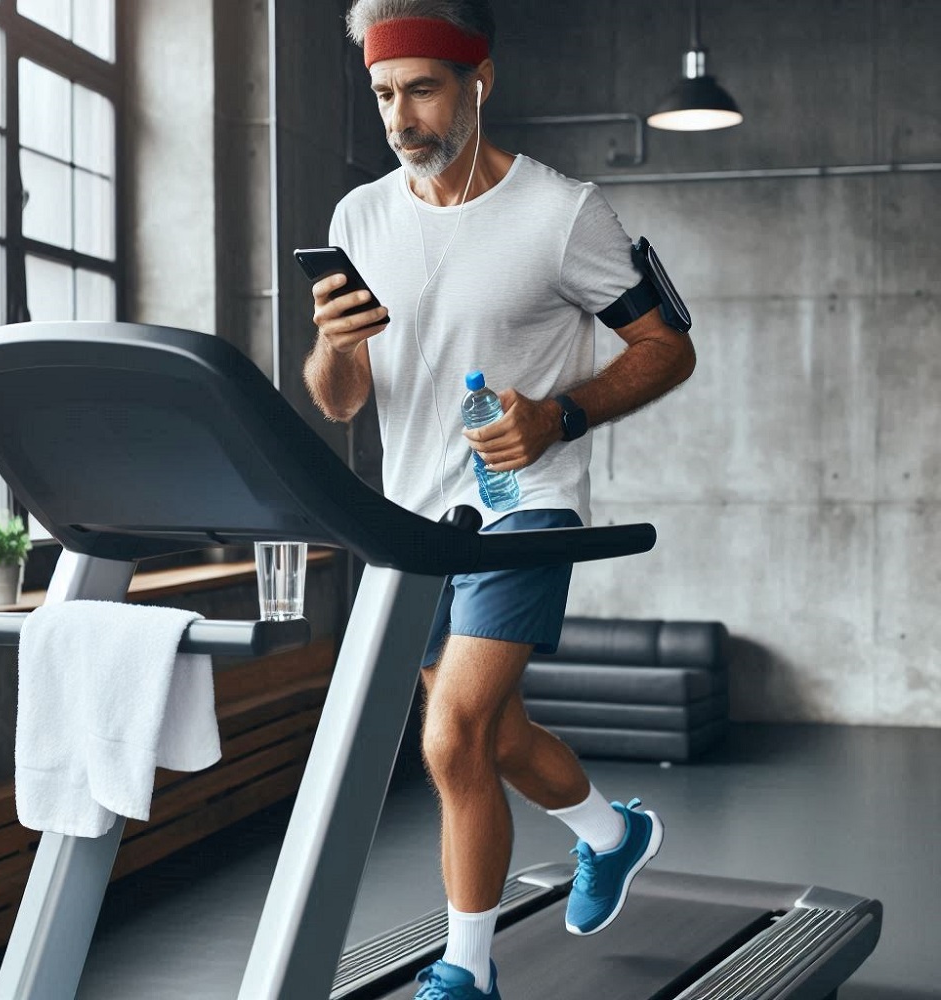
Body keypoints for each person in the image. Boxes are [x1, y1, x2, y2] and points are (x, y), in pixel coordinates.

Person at [303, 2, 696, 997]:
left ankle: (466, 973)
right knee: (496, 732)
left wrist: (559, 416)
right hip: (411, 522)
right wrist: (336, 347)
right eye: (385, 93)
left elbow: (666, 346)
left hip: (525, 509)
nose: (401, 116)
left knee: (450, 736)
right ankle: (613, 833)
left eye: (423, 88)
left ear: (481, 83)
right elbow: (342, 399)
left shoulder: (563, 212)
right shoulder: (359, 218)